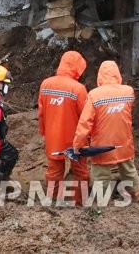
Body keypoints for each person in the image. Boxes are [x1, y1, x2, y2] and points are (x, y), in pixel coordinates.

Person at [73, 60, 139, 200]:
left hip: (102, 144)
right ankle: (136, 196)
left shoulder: (94, 94)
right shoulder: (128, 91)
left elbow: (85, 123)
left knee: (100, 175)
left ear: (100, 76)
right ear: (118, 74)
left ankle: (100, 203)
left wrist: (78, 145)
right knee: (129, 170)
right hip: (124, 142)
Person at [38, 51, 90, 204]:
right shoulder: (79, 89)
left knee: (54, 171)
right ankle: (79, 202)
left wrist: (44, 131)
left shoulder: (45, 84)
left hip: (53, 136)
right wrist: (89, 136)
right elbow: (85, 117)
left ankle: (53, 200)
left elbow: (41, 112)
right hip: (75, 139)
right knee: (81, 172)